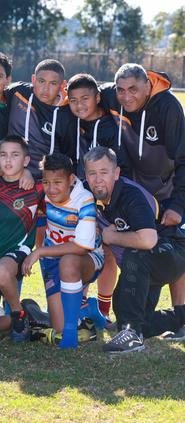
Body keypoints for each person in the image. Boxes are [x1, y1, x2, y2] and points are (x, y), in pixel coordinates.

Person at [84, 146, 185, 353]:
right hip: (145, 264)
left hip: (172, 251)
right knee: (126, 313)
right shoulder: (86, 192)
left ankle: (132, 335)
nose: (97, 179)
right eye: (92, 173)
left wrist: (111, 237)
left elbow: (148, 240)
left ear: (116, 173)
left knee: (135, 254)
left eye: (104, 172)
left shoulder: (130, 195)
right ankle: (175, 318)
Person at [100, 63, 185, 306]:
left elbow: (183, 160)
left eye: (133, 89)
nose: (126, 96)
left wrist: (179, 205)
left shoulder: (167, 107)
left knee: (176, 249)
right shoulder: (110, 97)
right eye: (121, 90)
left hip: (167, 192)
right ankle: (140, 312)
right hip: (137, 194)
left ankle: (180, 318)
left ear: (147, 85)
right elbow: (83, 92)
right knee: (143, 253)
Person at [63, 72, 130, 319]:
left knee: (108, 251)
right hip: (81, 198)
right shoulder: (74, 122)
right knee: (83, 247)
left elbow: (117, 168)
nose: (79, 105)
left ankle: (103, 307)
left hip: (107, 198)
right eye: (73, 100)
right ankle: (81, 303)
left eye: (85, 98)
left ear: (98, 98)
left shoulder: (108, 128)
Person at [21, 153, 104, 348]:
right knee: (55, 326)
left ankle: (70, 333)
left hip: (87, 258)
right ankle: (87, 308)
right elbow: (41, 219)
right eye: (46, 182)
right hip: (51, 256)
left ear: (71, 179)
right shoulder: (44, 194)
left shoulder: (84, 200)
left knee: (68, 261)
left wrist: (38, 252)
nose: (51, 188)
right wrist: (41, 248)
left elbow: (82, 246)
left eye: (58, 182)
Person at [0, 135, 44, 341]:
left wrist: (30, 174)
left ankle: (17, 313)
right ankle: (28, 312)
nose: (8, 160)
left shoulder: (36, 188)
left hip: (17, 251)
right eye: (3, 155)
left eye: (15, 155)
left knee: (2, 272)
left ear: (26, 160)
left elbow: (61, 181)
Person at [6, 59, 74, 178]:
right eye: (41, 81)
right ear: (33, 80)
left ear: (62, 85)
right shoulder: (19, 93)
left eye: (53, 83)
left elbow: (68, 154)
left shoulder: (68, 112)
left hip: (47, 181)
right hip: (13, 173)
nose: (45, 88)